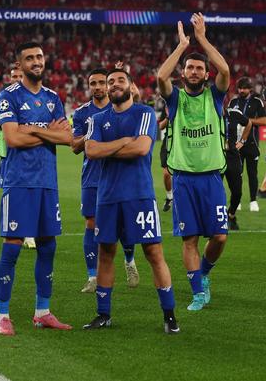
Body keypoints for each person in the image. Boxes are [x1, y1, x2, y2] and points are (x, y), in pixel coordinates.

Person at [82, 68, 179, 334]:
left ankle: (169, 315)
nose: (114, 84)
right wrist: (124, 141)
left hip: (139, 196)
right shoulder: (98, 118)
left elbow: (142, 148)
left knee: (153, 253)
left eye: (120, 80)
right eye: (110, 81)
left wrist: (108, 148)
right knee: (106, 253)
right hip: (107, 197)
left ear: (130, 85)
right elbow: (91, 150)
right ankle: (103, 314)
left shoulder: (144, 113)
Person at [0, 42, 73, 335]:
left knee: (48, 246)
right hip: (19, 182)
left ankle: (43, 312)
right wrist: (49, 132)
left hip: (47, 183)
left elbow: (67, 138)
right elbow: (13, 139)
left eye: (39, 57)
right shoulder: (9, 95)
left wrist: (33, 129)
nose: (36, 61)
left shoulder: (53, 98)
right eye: (29, 58)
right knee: (13, 246)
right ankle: (3, 315)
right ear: (21, 63)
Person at [157, 13, 230, 312]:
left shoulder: (215, 97)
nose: (195, 71)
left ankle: (204, 273)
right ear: (183, 73)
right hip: (184, 178)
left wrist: (202, 39)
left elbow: (225, 69)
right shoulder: (175, 99)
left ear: (206, 74)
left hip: (212, 177)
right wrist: (182, 46)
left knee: (220, 237)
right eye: (190, 67)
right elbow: (161, 77)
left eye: (200, 68)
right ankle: (198, 292)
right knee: (189, 239)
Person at [71, 67, 139, 294]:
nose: (98, 87)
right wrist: (92, 133)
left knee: (125, 223)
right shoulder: (81, 113)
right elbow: (74, 146)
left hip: (119, 173)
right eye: (93, 83)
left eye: (102, 82)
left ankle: (129, 261)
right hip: (92, 176)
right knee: (91, 223)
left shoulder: (120, 107)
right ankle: (93, 276)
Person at [0, 65, 34, 248]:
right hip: (8, 154)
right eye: (13, 76)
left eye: (19, 76)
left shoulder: (34, 97)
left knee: (30, 191)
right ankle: (12, 228)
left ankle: (29, 233)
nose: (16, 79)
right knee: (10, 192)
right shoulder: (2, 97)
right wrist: (7, 119)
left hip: (28, 151)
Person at [228, 77, 266, 212]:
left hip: (251, 143)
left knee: (252, 173)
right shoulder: (233, 102)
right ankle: (236, 201)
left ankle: (253, 201)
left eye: (244, 88)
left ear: (250, 89)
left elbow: (264, 121)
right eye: (239, 88)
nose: (241, 90)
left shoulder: (257, 102)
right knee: (236, 174)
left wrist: (245, 120)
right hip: (235, 144)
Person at [223, 105, 253, 230]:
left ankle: (231, 214)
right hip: (216, 157)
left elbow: (249, 123)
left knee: (237, 191)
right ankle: (217, 218)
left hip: (233, 156)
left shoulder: (234, 114)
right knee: (215, 190)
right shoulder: (210, 114)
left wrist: (242, 141)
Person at [157, 102, 174, 211]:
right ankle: (169, 197)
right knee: (166, 174)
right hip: (168, 142)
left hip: (184, 142)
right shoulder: (168, 105)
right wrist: (168, 116)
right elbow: (161, 126)